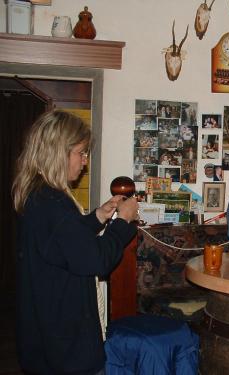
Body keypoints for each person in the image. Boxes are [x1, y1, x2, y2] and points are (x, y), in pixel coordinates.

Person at [12, 110, 139, 374]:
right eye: (80, 153)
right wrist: (123, 223)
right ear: (58, 153)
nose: (84, 162)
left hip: (47, 337)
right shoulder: (54, 205)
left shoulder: (41, 195)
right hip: (65, 347)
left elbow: (64, 245)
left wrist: (98, 217)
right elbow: (96, 260)